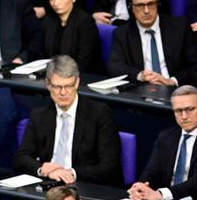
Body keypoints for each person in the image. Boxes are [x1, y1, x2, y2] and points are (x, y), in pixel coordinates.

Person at [14, 56, 123, 185]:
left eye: (68, 86)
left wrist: (71, 173)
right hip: (50, 184)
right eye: (57, 86)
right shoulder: (39, 115)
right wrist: (42, 169)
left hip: (84, 184)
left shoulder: (99, 114)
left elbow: (109, 166)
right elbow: (22, 158)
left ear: (77, 83)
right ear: (48, 84)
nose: (63, 93)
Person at [128, 85, 197, 200]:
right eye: (178, 111)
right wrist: (140, 188)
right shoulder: (166, 137)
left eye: (189, 109)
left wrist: (161, 194)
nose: (184, 116)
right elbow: (152, 171)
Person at [106, 0, 197, 86]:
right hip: (141, 90)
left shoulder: (180, 27)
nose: (146, 11)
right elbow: (114, 66)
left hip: (175, 92)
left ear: (158, 4)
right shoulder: (122, 33)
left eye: (151, 4)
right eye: (140, 6)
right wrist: (141, 75)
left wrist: (172, 81)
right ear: (131, 7)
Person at [41, 0, 103, 74]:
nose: (55, 3)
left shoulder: (86, 22)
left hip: (81, 75)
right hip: (52, 74)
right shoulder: (48, 20)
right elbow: (42, 54)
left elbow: (84, 60)